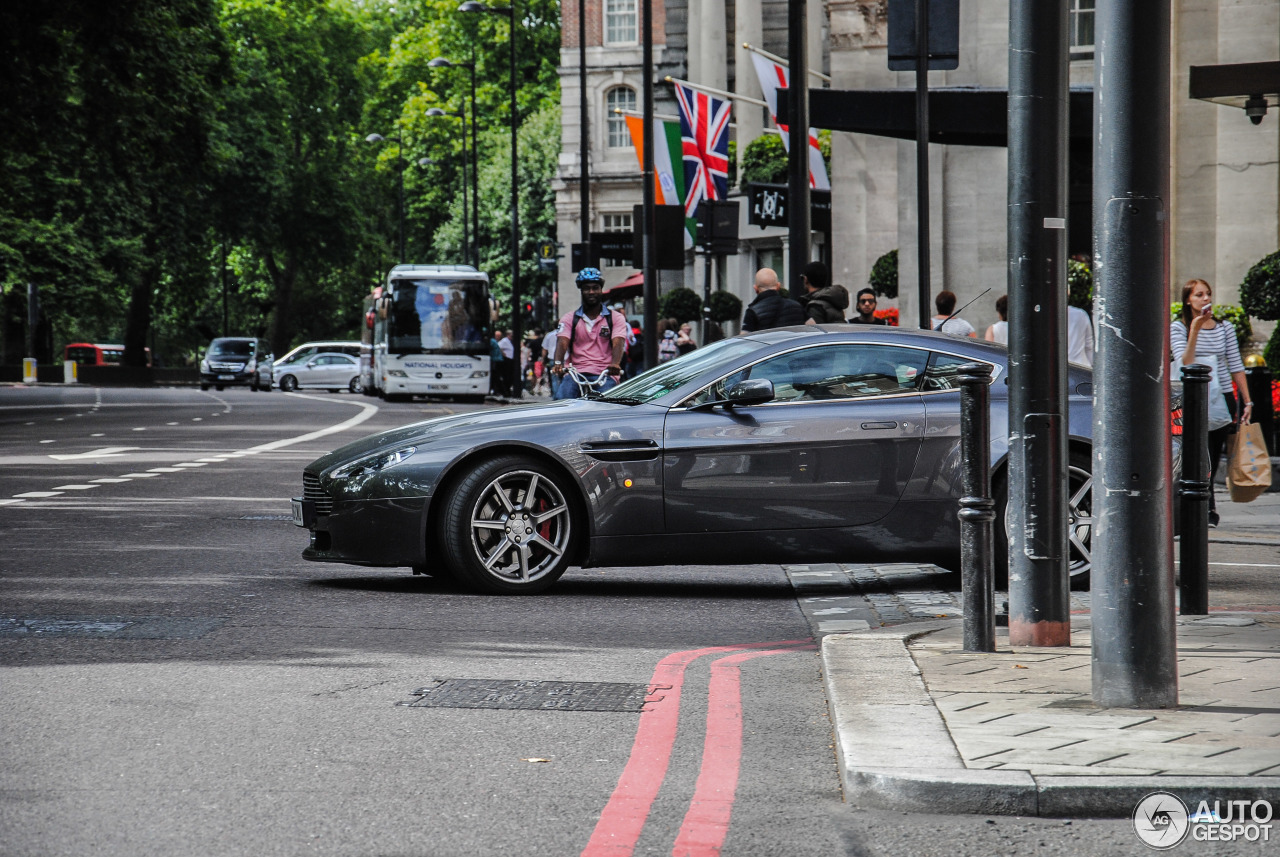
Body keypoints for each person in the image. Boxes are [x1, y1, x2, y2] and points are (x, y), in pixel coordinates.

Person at [1171, 278, 1254, 527]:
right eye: (1199, 295)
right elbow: (1184, 360)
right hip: (1190, 398)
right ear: (1188, 299)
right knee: (1195, 452)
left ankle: (1209, 508)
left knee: (1213, 455)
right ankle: (1199, 508)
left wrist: (1248, 401)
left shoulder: (1224, 327)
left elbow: (1235, 364)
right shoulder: (1179, 327)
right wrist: (1194, 329)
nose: (1205, 299)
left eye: (1208, 294)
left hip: (1222, 396)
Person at [552, 268, 628, 399]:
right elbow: (562, 341)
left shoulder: (615, 318)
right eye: (587, 288)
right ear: (581, 291)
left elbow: (618, 342)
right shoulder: (569, 318)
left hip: (605, 373)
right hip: (576, 373)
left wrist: (615, 364)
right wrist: (558, 363)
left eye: (595, 288)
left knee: (609, 404)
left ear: (601, 289)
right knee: (561, 399)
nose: (591, 292)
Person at [740, 267, 805, 332]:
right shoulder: (797, 306)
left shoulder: (753, 312)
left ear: (756, 288)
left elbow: (744, 338)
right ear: (778, 286)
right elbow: (812, 329)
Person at [498, 329, 516, 395]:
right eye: (511, 335)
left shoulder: (511, 341)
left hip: (511, 360)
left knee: (511, 376)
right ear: (508, 335)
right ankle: (506, 391)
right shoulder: (504, 341)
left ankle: (508, 390)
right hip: (507, 360)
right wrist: (503, 354)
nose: (512, 337)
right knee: (507, 376)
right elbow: (499, 346)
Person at [489, 330, 507, 396]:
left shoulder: (491, 341)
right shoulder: (494, 341)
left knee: (495, 376)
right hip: (498, 360)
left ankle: (499, 391)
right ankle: (498, 391)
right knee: (496, 377)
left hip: (495, 361)